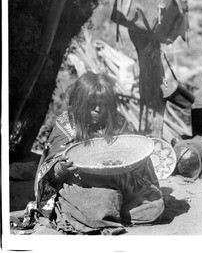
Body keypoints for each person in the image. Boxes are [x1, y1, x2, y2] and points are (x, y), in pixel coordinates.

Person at [23, 71, 165, 235]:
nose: (98, 109)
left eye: (103, 104)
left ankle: (109, 214)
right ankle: (104, 213)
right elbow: (48, 171)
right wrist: (62, 168)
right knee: (104, 201)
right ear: (80, 102)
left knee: (154, 206)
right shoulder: (66, 124)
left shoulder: (117, 121)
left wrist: (135, 159)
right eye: (92, 104)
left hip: (120, 184)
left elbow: (138, 162)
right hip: (83, 187)